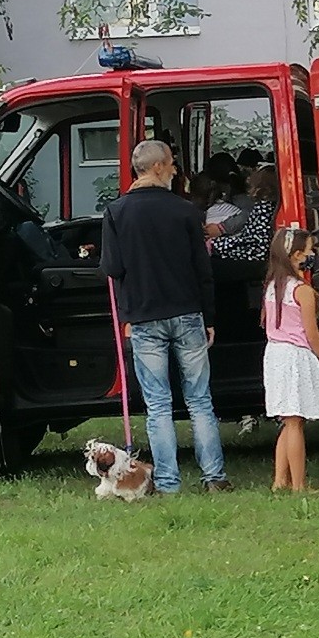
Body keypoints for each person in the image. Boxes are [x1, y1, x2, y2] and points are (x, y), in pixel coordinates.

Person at [100, 140, 231, 493]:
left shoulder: (116, 212)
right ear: (157, 167)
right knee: (200, 399)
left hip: (144, 316)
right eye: (172, 163)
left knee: (158, 404)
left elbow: (112, 267)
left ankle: (170, 483)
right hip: (187, 312)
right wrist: (209, 317)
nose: (175, 169)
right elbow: (203, 269)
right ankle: (214, 477)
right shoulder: (185, 210)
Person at [260, 227, 319, 490]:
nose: (311, 255)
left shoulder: (272, 286)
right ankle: (299, 485)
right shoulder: (301, 290)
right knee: (295, 423)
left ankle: (279, 480)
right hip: (295, 355)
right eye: (309, 250)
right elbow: (312, 333)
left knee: (288, 419)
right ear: (296, 254)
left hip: (274, 354)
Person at [209, 166, 279, 258]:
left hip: (254, 258)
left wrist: (215, 244)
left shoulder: (263, 209)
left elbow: (255, 244)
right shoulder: (269, 206)